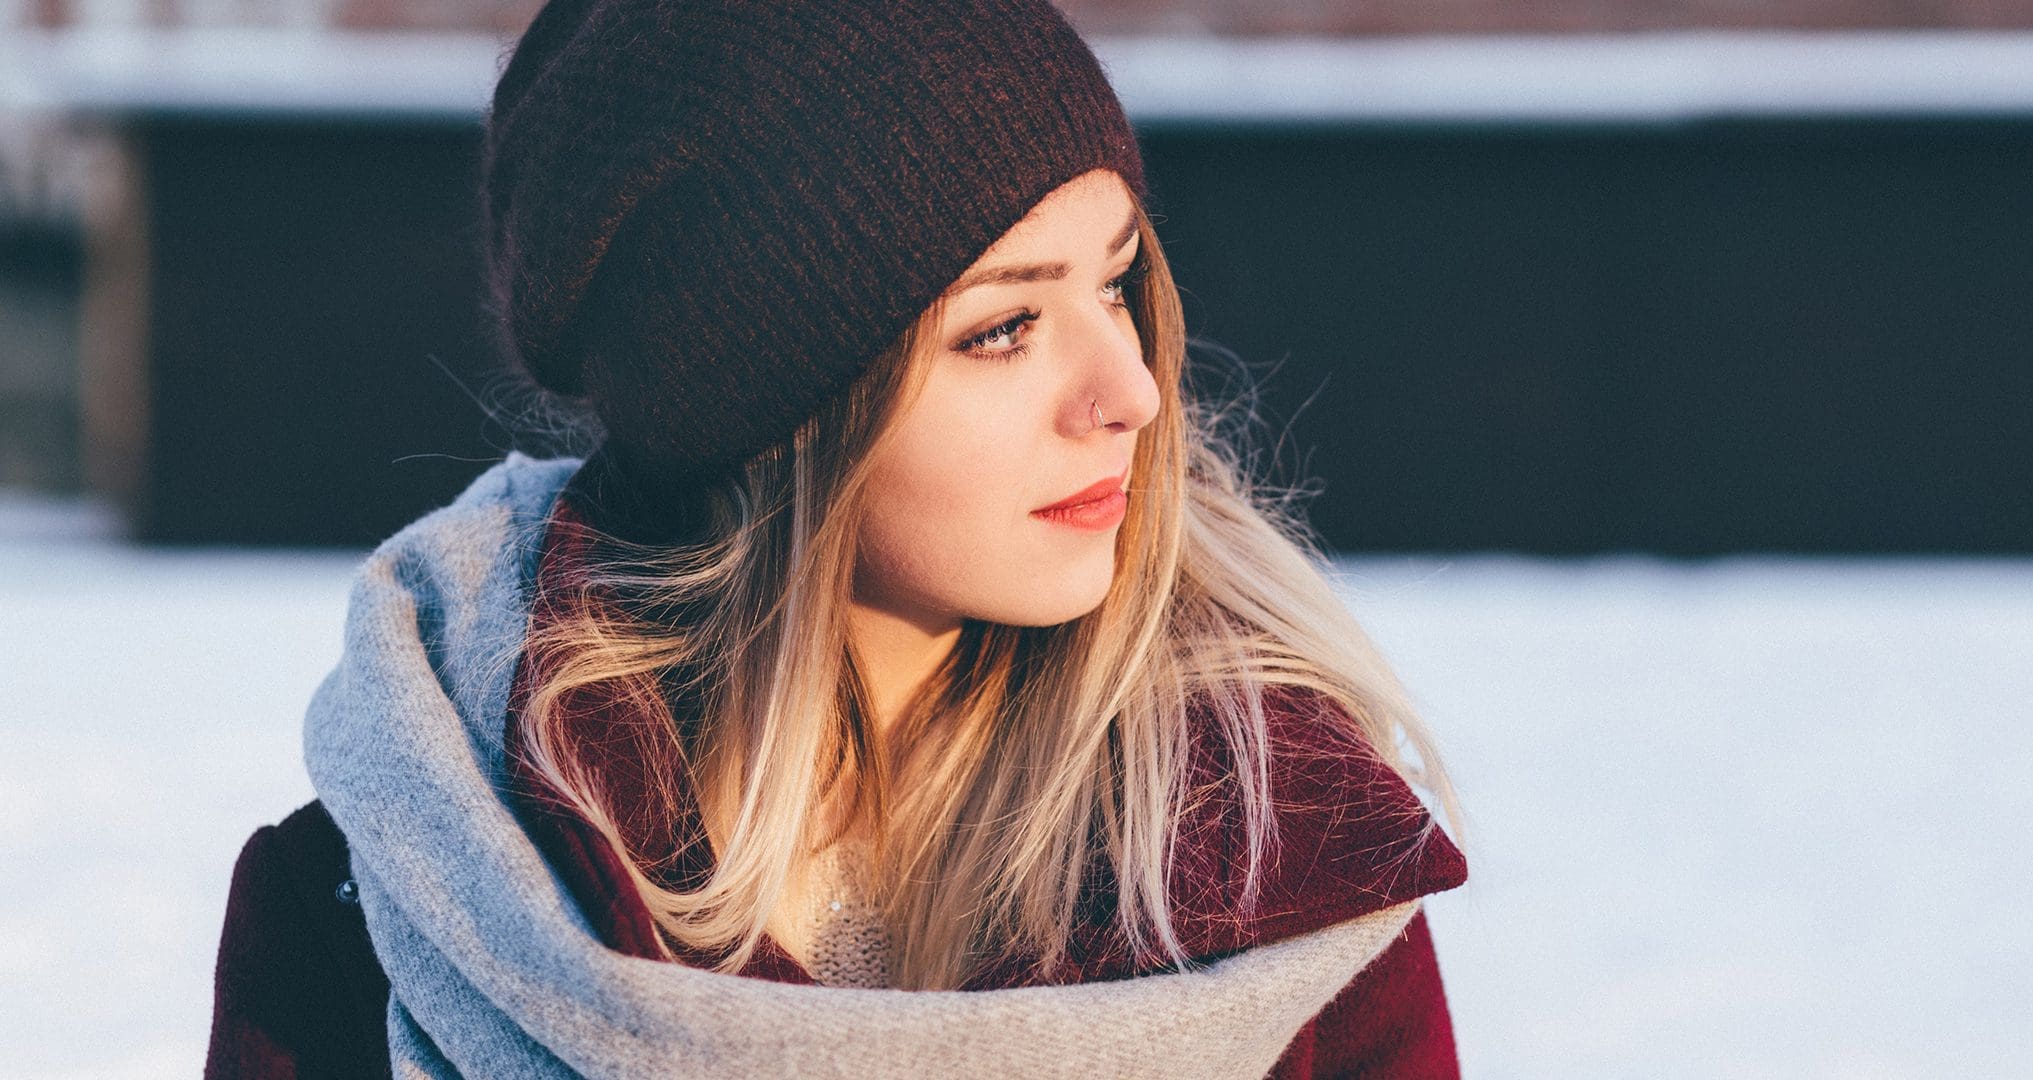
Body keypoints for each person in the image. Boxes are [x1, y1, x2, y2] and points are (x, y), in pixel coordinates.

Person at [204, 1, 1470, 1076]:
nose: (1130, 392)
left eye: (1115, 283)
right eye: (1001, 329)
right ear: (770, 417)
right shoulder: (386, 910)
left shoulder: (1277, 879)